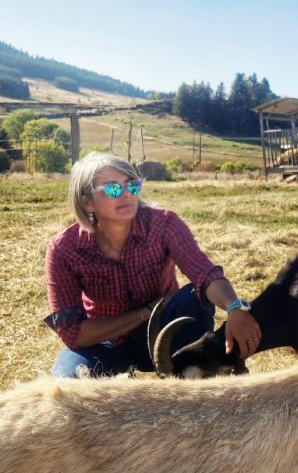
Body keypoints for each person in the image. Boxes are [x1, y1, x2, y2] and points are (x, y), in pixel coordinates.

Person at [46, 152, 262, 378]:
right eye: (113, 189)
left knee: (193, 296)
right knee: (68, 379)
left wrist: (234, 307)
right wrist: (146, 312)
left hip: (167, 335)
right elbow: (73, 334)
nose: (127, 195)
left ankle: (196, 371)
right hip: (105, 343)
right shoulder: (63, 249)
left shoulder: (164, 224)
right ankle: (122, 380)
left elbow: (204, 273)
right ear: (87, 201)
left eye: (132, 186)